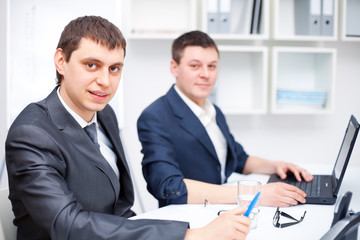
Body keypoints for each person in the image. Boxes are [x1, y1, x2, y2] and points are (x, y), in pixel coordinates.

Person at [5, 16, 251, 240]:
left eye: (114, 68)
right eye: (91, 65)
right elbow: (69, 224)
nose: (105, 81)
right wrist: (189, 236)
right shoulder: (31, 134)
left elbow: (119, 207)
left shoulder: (105, 114)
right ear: (61, 61)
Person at [137, 30, 314, 208]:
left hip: (223, 210)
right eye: (195, 66)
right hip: (189, 218)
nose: (205, 74)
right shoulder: (155, 116)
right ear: (174, 68)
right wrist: (253, 194)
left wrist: (276, 166)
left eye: (212, 66)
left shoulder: (213, 111)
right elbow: (169, 187)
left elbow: (239, 159)